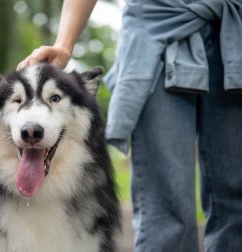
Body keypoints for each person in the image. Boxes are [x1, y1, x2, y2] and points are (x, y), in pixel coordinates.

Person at [18, 0, 242, 251]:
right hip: (159, 31)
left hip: (235, 32)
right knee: (166, 208)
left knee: (237, 203)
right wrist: (64, 43)